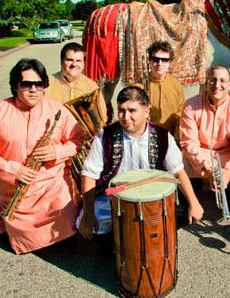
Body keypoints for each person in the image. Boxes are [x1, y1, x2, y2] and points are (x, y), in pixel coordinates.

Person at [0, 58, 84, 254]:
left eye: (38, 84)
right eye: (26, 84)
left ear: (44, 86)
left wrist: (57, 151)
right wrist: (14, 170)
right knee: (25, 239)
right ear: (16, 86)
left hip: (53, 184)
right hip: (16, 186)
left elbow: (78, 140)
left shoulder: (58, 110)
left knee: (67, 227)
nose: (33, 90)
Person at [78, 86, 203, 239]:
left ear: (146, 111)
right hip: (114, 198)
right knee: (88, 223)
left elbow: (178, 171)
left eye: (132, 111)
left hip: (151, 198)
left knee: (179, 215)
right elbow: (89, 176)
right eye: (121, 110)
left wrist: (194, 203)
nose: (125, 116)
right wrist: (88, 215)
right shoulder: (105, 136)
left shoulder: (163, 136)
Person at [179, 65, 230, 207]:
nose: (217, 85)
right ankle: (190, 201)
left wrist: (228, 171)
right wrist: (204, 167)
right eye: (213, 80)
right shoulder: (190, 105)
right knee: (181, 164)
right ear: (206, 82)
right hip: (200, 151)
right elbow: (189, 143)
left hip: (227, 151)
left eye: (222, 81)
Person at [45, 42, 110, 124]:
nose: (74, 64)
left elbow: (102, 117)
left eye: (78, 61)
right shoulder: (47, 85)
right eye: (69, 60)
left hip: (83, 135)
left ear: (83, 64)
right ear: (61, 62)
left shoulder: (92, 87)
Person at [140, 41, 185, 142]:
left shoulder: (176, 85)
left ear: (169, 63)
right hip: (145, 139)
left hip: (171, 139)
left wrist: (177, 140)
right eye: (156, 59)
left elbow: (180, 114)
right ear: (149, 61)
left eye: (164, 60)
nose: (160, 64)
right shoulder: (139, 86)